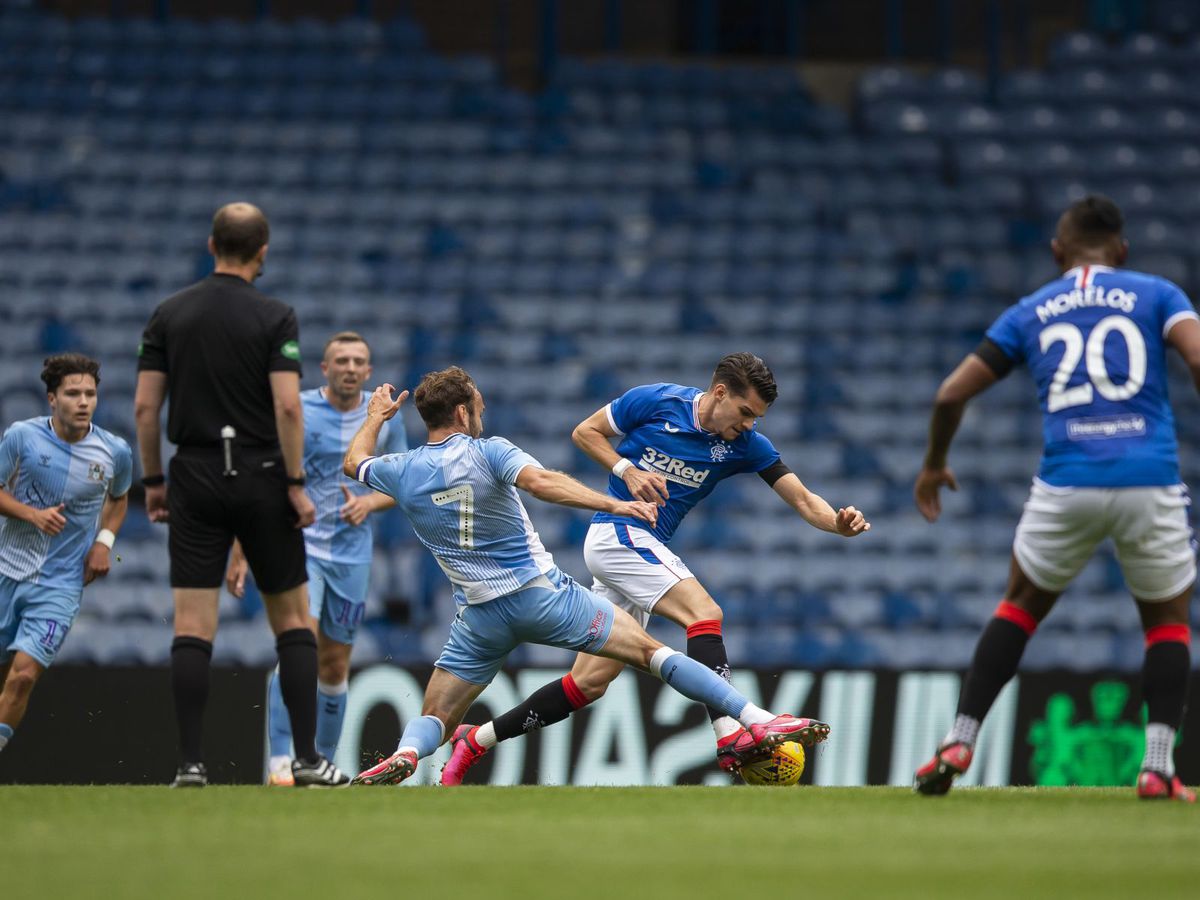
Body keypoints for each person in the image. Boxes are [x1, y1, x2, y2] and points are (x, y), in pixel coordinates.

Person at [343, 367, 820, 786]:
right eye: (480, 407)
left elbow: (354, 463)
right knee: (655, 651)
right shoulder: (489, 452)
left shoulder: (401, 470)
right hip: (541, 599)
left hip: (478, 617)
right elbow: (544, 482)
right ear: (465, 414)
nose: (482, 414)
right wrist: (615, 501)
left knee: (441, 714)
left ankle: (410, 752)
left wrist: (375, 418)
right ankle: (752, 719)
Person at [912, 195, 1199, 802]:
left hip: (1065, 482)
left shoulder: (1031, 309)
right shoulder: (1158, 294)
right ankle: (1156, 767)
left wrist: (935, 463)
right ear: (1121, 249)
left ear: (1057, 251)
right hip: (1148, 478)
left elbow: (948, 395)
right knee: (1167, 622)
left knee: (1019, 605)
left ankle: (959, 738)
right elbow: (1197, 356)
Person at [134, 202, 348, 788]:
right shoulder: (276, 316)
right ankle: (306, 759)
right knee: (293, 621)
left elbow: (146, 408)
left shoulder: (168, 314)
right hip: (261, 473)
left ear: (210, 246)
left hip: (195, 472)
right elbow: (286, 406)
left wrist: (155, 481)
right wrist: (297, 484)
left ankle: (191, 764)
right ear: (263, 252)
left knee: (193, 626)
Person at [226, 331, 407, 786]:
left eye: (358, 361)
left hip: (352, 557)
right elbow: (264, 479)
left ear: (368, 372)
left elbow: (406, 481)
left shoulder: (384, 416)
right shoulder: (300, 411)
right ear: (324, 369)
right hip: (300, 546)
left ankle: (320, 763)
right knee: (297, 648)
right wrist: (241, 549)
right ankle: (280, 761)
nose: (349, 367)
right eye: (340, 360)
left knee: (333, 665)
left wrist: (369, 503)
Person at [0, 354, 131, 754]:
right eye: (72, 393)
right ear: (52, 399)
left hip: (60, 585)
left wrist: (103, 543)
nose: (83, 401)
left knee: (22, 678)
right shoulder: (21, 436)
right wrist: (32, 516)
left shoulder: (114, 452)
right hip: (6, 570)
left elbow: (120, 499)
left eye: (90, 393)